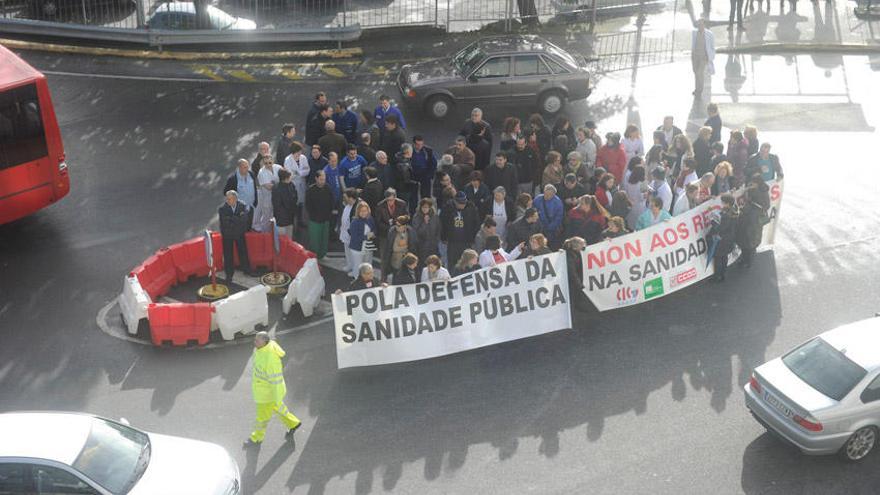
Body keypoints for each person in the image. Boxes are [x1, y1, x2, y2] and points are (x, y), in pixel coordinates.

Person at [245, 332, 301, 446]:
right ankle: (293, 423)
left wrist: (277, 396)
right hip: (265, 391)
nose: (254, 342)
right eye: (255, 339)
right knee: (279, 409)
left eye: (257, 340)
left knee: (262, 418)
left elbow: (276, 380)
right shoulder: (260, 349)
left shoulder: (270, 358)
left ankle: (256, 438)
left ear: (265, 342)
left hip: (266, 394)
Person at [218, 191, 252, 283]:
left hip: (239, 233)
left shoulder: (242, 205)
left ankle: (246, 270)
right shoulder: (222, 209)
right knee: (228, 255)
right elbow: (225, 223)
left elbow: (245, 220)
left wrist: (232, 218)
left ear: (235, 199)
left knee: (243, 252)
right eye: (227, 199)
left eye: (230, 199)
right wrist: (237, 218)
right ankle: (229, 275)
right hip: (227, 235)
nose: (227, 201)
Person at [440, 191, 479, 269]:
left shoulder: (471, 208)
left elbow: (476, 223)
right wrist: (444, 237)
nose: (462, 205)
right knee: (452, 262)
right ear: (455, 201)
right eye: (460, 203)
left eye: (464, 203)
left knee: (467, 262)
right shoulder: (447, 209)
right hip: (452, 241)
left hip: (466, 241)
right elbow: (442, 224)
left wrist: (472, 238)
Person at [305, 170, 334, 259]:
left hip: (325, 219)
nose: (323, 181)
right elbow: (308, 205)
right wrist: (313, 215)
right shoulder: (310, 190)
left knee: (324, 238)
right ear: (316, 178)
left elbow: (331, 202)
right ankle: (314, 256)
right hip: (315, 220)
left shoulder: (328, 188)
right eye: (321, 179)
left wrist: (329, 214)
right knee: (315, 239)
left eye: (324, 179)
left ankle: (322, 254)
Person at [710, 194, 739, 281]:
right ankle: (723, 274)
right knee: (724, 256)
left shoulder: (726, 215)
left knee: (718, 257)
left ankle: (717, 276)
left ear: (727, 204)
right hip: (730, 238)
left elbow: (721, 228)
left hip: (722, 239)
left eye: (723, 202)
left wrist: (713, 222)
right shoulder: (734, 211)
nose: (721, 204)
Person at [736, 187, 766, 268]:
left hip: (747, 234)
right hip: (755, 233)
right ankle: (746, 261)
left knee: (746, 249)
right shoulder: (759, 206)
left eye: (747, 195)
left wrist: (741, 210)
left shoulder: (749, 208)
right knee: (750, 249)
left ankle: (746, 262)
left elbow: (743, 220)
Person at [224, 158, 258, 229]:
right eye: (245, 167)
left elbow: (255, 188)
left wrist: (255, 202)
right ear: (239, 167)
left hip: (250, 207)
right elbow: (225, 192)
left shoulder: (251, 175)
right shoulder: (233, 179)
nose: (247, 169)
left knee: (249, 227)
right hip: (239, 210)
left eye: (247, 166)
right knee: (240, 228)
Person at [374, 188, 408, 258]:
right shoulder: (380, 206)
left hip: (399, 233)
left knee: (397, 255)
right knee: (384, 255)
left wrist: (400, 225)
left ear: (395, 197)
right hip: (385, 234)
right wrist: (390, 228)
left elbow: (406, 216)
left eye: (392, 200)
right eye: (388, 200)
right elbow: (378, 222)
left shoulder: (402, 204)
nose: (390, 202)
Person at [381, 215, 416, 282]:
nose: (397, 227)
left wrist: (403, 246)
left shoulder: (410, 232)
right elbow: (395, 248)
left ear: (404, 226)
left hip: (406, 261)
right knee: (396, 278)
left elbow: (413, 245)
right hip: (396, 261)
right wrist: (405, 247)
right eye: (396, 225)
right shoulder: (393, 232)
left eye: (399, 225)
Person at [253, 155, 282, 232]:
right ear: (263, 163)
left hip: (278, 198)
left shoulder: (278, 167)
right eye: (266, 163)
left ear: (273, 161)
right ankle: (265, 234)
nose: (268, 165)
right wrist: (279, 184)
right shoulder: (261, 172)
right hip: (267, 199)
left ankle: (274, 234)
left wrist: (274, 184)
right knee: (266, 218)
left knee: (276, 216)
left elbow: (285, 176)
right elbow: (268, 187)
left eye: (270, 162)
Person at [348, 201, 377, 278]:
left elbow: (374, 229)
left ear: (368, 211)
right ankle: (357, 282)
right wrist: (366, 237)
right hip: (357, 248)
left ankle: (368, 280)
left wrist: (373, 233)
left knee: (368, 266)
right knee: (357, 267)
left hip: (368, 247)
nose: (364, 213)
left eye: (365, 210)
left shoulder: (370, 219)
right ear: (358, 211)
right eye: (361, 211)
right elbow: (355, 237)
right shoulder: (354, 222)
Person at [562, 236, 589, 313]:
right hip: (571, 281)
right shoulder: (569, 256)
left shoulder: (574, 253)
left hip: (575, 279)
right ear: (576, 247)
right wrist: (579, 284)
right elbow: (572, 272)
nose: (584, 247)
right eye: (582, 245)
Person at [283, 143, 310, 222]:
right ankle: (293, 222)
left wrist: (299, 173)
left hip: (302, 183)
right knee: (294, 204)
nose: (299, 153)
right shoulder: (288, 160)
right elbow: (289, 174)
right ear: (293, 151)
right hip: (293, 185)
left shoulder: (303, 158)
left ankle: (300, 220)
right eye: (298, 151)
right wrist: (298, 173)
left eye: (300, 151)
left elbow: (307, 170)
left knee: (301, 204)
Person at [411, 197, 441, 265]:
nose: (425, 209)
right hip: (421, 247)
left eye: (426, 207)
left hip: (433, 246)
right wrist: (425, 223)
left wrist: (436, 241)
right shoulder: (416, 217)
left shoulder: (435, 217)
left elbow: (438, 230)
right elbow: (416, 232)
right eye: (423, 207)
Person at [691, 17, 716, 97]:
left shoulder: (709, 34)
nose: (700, 26)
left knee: (699, 73)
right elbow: (693, 44)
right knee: (695, 72)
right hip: (695, 56)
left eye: (701, 24)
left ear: (704, 25)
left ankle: (700, 90)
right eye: (698, 24)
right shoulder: (694, 33)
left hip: (704, 57)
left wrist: (711, 57)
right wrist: (692, 54)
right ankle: (696, 89)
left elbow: (712, 46)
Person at [411, 136, 437, 204]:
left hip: (425, 174)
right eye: (418, 144)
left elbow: (434, 163)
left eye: (421, 144)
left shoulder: (427, 151)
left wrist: (430, 175)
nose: (420, 146)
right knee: (413, 195)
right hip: (413, 174)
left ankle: (426, 207)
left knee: (426, 195)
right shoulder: (410, 150)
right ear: (414, 144)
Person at [272, 169, 298, 238]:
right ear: (286, 178)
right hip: (282, 220)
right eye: (290, 177)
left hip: (288, 218)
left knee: (288, 239)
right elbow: (277, 205)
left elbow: (295, 196)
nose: (291, 178)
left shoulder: (290, 185)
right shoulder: (277, 188)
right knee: (283, 240)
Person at [322, 152, 343, 237]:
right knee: (332, 216)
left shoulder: (339, 168)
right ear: (329, 161)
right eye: (333, 161)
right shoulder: (326, 171)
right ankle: (331, 233)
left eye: (336, 160)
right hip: (331, 200)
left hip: (339, 198)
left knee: (338, 215)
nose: (335, 162)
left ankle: (335, 230)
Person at [339, 189, 358, 276]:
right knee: (347, 250)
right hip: (345, 232)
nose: (344, 198)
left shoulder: (357, 206)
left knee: (354, 252)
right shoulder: (347, 205)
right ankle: (349, 265)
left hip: (352, 234)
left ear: (351, 198)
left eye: (345, 197)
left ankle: (355, 270)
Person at [623, 164, 647, 230]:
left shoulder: (629, 182)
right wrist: (646, 194)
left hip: (630, 205)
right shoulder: (640, 184)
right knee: (637, 224)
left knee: (630, 223)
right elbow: (641, 198)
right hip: (638, 207)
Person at [394, 143, 416, 211]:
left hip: (399, 187)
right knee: (403, 208)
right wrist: (415, 183)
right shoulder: (404, 164)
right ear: (408, 152)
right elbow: (406, 179)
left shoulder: (398, 159)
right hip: (404, 189)